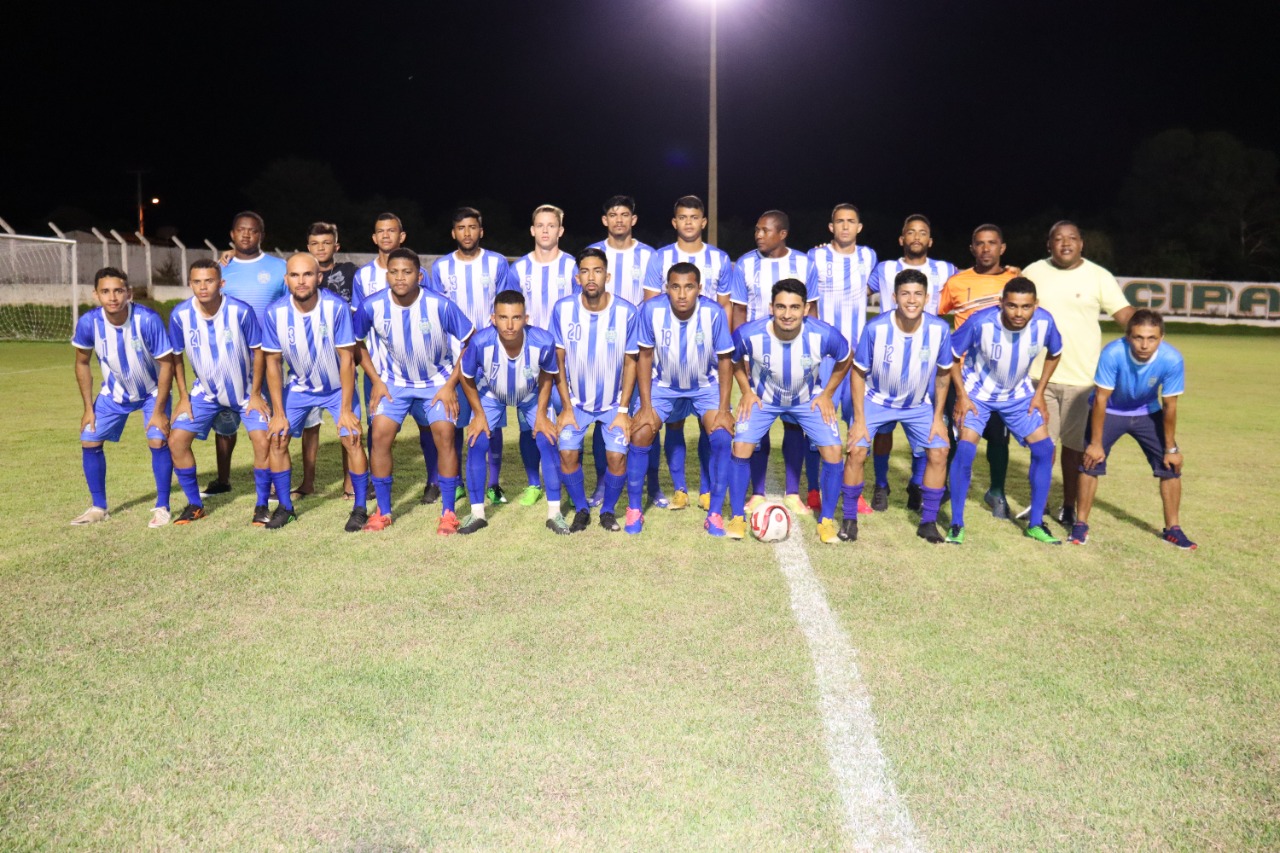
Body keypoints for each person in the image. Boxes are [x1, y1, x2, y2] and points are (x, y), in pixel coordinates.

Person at [354, 248, 475, 535]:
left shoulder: (439, 305)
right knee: (380, 435)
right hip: (393, 383)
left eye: (407, 272)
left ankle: (448, 512)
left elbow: (470, 341)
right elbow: (356, 344)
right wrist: (377, 380)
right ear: (387, 275)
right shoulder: (371, 306)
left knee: (445, 435)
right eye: (394, 272)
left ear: (419, 275)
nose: (400, 277)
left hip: (437, 383)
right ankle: (383, 512)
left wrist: (450, 385)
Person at [1023, 221, 1134, 526]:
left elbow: (1123, 314)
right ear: (1049, 245)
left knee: (1073, 450)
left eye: (1072, 238)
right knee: (1042, 446)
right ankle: (1039, 505)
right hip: (1038, 377)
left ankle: (1068, 506)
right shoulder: (1033, 272)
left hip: (1082, 380)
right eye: (1058, 239)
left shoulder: (1099, 276)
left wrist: (1146, 329)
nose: (1065, 243)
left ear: (1081, 243)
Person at [727, 278, 850, 543]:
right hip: (764, 400)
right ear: (771, 307)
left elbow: (845, 357)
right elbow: (733, 359)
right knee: (741, 447)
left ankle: (826, 521)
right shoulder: (749, 333)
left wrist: (827, 393)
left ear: (806, 309)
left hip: (807, 401)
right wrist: (747, 391)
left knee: (834, 450)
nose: (787, 314)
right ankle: (737, 517)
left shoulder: (823, 334)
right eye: (781, 306)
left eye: (795, 307)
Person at [947, 277, 1064, 545]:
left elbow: (1055, 352)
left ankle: (1036, 523)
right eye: (1012, 306)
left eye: (1025, 307)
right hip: (977, 394)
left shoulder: (1045, 322)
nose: (1019, 313)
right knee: (965, 450)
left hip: (1019, 395)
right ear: (1001, 303)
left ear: (1035, 305)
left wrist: (1039, 393)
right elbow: (952, 354)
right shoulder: (980, 322)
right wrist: (961, 396)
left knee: (1044, 450)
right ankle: (956, 524)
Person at [840, 269, 954, 544]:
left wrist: (938, 417)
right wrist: (859, 419)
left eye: (917, 294)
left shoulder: (939, 329)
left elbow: (943, 373)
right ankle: (849, 518)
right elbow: (858, 372)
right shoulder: (876, 328)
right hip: (877, 400)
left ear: (927, 298)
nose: (911, 300)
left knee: (939, 452)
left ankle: (927, 522)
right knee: (856, 450)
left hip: (918, 405)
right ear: (894, 297)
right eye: (905, 294)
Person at [260, 253, 370, 531]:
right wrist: (279, 413)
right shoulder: (275, 313)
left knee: (353, 438)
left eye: (307, 274)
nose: (301, 281)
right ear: (286, 280)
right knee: (277, 438)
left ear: (319, 277)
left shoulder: (336, 308)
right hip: (299, 387)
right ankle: (285, 507)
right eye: (295, 275)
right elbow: (272, 364)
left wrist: (345, 410)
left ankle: (360, 508)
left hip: (336, 388)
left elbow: (347, 360)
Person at [1071, 310, 1194, 549]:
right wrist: (1095, 444)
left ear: (1162, 337)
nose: (1144, 344)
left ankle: (1173, 529)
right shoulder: (1113, 353)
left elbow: (1169, 406)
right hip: (1110, 411)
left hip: (1147, 412)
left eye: (1152, 338)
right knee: (1090, 462)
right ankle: (1080, 524)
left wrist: (1171, 448)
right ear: (1128, 336)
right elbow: (1100, 399)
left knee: (1170, 465)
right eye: (1138, 337)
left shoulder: (1172, 359)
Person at [629, 263, 736, 536]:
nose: (682, 294)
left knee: (722, 435)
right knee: (641, 433)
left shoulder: (713, 313)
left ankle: (714, 514)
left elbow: (725, 360)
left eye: (689, 287)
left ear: (699, 289)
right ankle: (634, 509)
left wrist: (724, 408)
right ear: (667, 288)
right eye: (675, 286)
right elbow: (644, 357)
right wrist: (645, 406)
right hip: (664, 386)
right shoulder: (652, 311)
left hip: (705, 386)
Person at [643, 195, 735, 513]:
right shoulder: (660, 257)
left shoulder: (720, 259)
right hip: (667, 360)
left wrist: (712, 343)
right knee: (675, 425)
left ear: (703, 221)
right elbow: (651, 306)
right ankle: (680, 488)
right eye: (683, 217)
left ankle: (707, 489)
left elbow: (724, 308)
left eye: (694, 217)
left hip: (706, 355)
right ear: (675, 222)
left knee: (712, 428)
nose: (689, 223)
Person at [167, 259, 271, 525]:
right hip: (205, 395)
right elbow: (176, 357)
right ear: (190, 284)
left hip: (245, 393)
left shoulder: (240, 311)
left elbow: (259, 351)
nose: (203, 287)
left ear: (221, 283)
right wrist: (182, 397)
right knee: (177, 440)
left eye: (209, 280)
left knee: (263, 440)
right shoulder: (180, 315)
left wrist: (257, 393)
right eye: (197, 281)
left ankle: (261, 505)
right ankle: (194, 504)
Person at [730, 210, 820, 515]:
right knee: (759, 423)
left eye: (764, 230)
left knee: (795, 426)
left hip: (797, 355)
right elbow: (739, 312)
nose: (757, 234)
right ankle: (757, 492)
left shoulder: (805, 263)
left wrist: (814, 356)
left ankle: (793, 492)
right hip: (758, 356)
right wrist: (739, 352)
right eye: (756, 229)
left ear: (782, 234)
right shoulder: (744, 263)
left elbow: (814, 311)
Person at [69, 267, 175, 527]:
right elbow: (82, 363)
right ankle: (98, 507)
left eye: (118, 290)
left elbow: (167, 364)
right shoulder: (89, 322)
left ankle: (162, 507)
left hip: (152, 392)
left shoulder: (147, 320)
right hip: (114, 393)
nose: (112, 297)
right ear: (96, 294)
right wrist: (88, 408)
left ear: (128, 292)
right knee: (89, 440)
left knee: (158, 441)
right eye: (105, 291)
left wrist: (160, 409)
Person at [456, 290, 567, 534]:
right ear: (493, 318)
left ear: (526, 318)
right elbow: (467, 378)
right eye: (503, 318)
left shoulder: (543, 341)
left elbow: (548, 374)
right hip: (491, 395)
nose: (509, 325)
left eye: (516, 318)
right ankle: (477, 514)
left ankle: (555, 513)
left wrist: (541, 414)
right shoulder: (480, 342)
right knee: (476, 441)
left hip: (530, 394)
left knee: (548, 440)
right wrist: (479, 415)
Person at [866, 215, 958, 509]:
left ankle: (917, 484)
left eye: (923, 233)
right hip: (887, 360)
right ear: (901, 239)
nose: (916, 237)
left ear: (930, 241)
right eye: (910, 232)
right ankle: (881, 484)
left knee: (927, 429)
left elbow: (972, 289)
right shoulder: (884, 269)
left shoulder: (946, 270)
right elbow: (852, 289)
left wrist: (1007, 274)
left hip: (927, 361)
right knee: (883, 430)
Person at [546, 247, 639, 533]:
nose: (591, 277)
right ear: (577, 278)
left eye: (597, 270)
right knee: (568, 455)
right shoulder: (563, 309)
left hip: (614, 403)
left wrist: (623, 410)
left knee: (616, 457)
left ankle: (608, 511)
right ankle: (582, 508)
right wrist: (566, 407)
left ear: (607, 275)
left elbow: (631, 360)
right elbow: (557, 361)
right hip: (576, 402)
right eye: (585, 271)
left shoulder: (626, 312)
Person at [350, 213, 439, 503]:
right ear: (374, 238)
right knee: (378, 428)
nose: (386, 236)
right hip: (379, 370)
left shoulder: (415, 271)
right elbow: (359, 326)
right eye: (380, 232)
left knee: (428, 426)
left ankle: (433, 480)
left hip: (419, 367)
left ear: (402, 236)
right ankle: (380, 484)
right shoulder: (363, 276)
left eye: (392, 231)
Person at [934, 224, 1018, 518]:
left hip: (999, 374)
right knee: (956, 434)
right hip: (963, 374)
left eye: (992, 243)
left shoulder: (1015, 280)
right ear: (972, 249)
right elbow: (937, 316)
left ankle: (996, 491)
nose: (986, 249)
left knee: (998, 436)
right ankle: (948, 487)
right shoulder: (957, 282)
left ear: (1002, 248)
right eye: (979, 244)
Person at [429, 207, 512, 506]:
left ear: (481, 231)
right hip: (454, 358)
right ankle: (459, 482)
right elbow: (437, 312)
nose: (467, 233)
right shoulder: (439, 268)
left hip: (492, 354)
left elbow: (505, 305)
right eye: (461, 228)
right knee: (457, 422)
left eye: (472, 227)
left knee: (493, 422)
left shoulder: (497, 263)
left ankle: (493, 484)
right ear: (453, 233)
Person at [587, 196, 663, 508]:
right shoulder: (594, 252)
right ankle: (603, 483)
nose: (619, 220)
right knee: (603, 417)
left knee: (646, 416)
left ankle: (653, 486)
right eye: (613, 215)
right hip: (601, 352)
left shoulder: (649, 256)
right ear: (605, 220)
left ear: (633, 219)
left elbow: (652, 303)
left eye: (625, 214)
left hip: (641, 350)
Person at [502, 204, 580, 507]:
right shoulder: (518, 269)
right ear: (533, 230)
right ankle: (534, 483)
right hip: (529, 358)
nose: (546, 230)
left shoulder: (573, 266)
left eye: (552, 225)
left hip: (567, 357)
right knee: (529, 423)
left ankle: (568, 481)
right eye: (540, 225)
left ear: (560, 230)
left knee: (568, 420)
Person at [205, 211, 286, 496]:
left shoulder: (279, 267)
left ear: (261, 235)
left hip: (267, 358)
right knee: (224, 421)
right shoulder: (219, 268)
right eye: (241, 230)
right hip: (227, 360)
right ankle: (223, 479)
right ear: (232, 234)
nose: (246, 235)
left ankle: (275, 481)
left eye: (253, 231)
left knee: (268, 419)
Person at [808, 203, 878, 515]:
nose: (846, 226)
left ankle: (854, 491)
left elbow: (875, 288)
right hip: (825, 354)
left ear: (859, 227)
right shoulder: (816, 256)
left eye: (851, 221)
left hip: (859, 358)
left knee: (858, 426)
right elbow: (809, 302)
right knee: (818, 424)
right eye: (840, 221)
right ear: (831, 226)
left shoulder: (869, 256)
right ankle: (813, 490)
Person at [301, 221, 359, 499]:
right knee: (309, 427)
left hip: (341, 361)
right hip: (308, 362)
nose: (320, 248)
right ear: (308, 247)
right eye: (315, 244)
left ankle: (350, 482)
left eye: (326, 243)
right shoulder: (301, 274)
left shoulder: (349, 272)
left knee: (347, 423)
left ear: (336, 246)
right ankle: (308, 482)